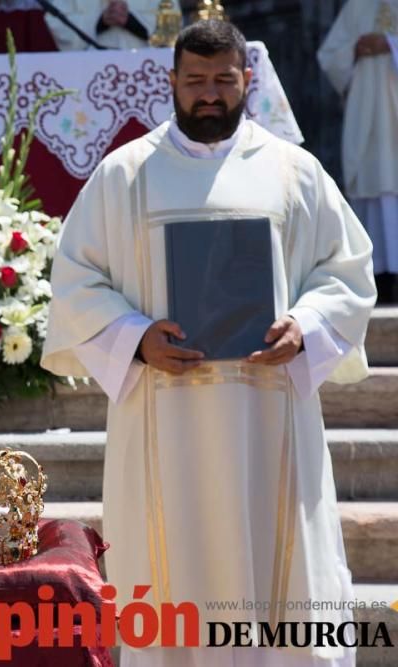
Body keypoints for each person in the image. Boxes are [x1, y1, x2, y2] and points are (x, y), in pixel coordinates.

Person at [41, 20, 374, 667]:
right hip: (166, 411)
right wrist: (136, 339)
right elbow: (77, 279)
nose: (210, 95)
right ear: (171, 83)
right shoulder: (126, 176)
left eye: (224, 80)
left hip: (266, 411)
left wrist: (304, 325)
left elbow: (347, 270)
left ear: (248, 80)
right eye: (195, 81)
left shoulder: (293, 171)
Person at [317, 0, 398, 303]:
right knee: (372, 181)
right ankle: (380, 277)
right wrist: (354, 49)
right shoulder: (359, 5)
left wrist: (389, 44)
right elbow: (329, 54)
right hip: (368, 110)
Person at [43, 0, 177, 51]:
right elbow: (59, 27)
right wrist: (100, 22)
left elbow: (171, 33)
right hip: (90, 72)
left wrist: (131, 22)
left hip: (144, 70)